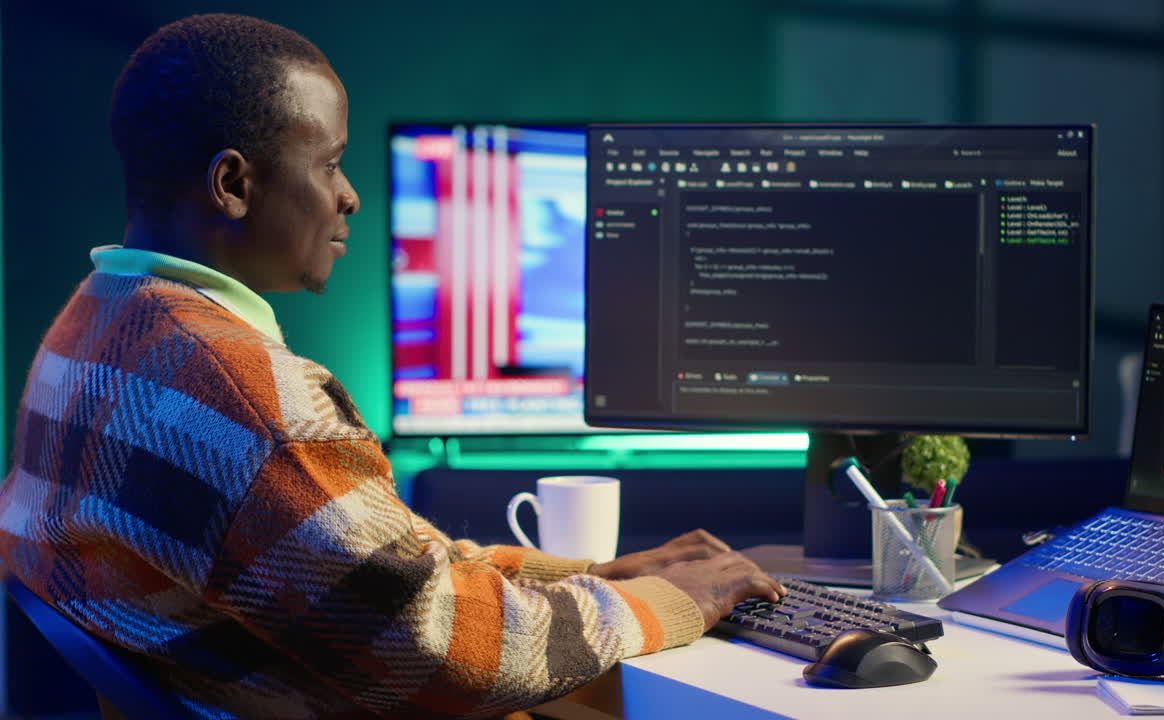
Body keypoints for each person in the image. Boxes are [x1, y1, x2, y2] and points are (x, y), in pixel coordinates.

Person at [0, 13, 785, 719]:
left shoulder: (92, 322)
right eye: (330, 164)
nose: (351, 198)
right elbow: (458, 657)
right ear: (235, 184)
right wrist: (672, 602)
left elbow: (385, 574)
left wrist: (592, 574)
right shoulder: (254, 403)